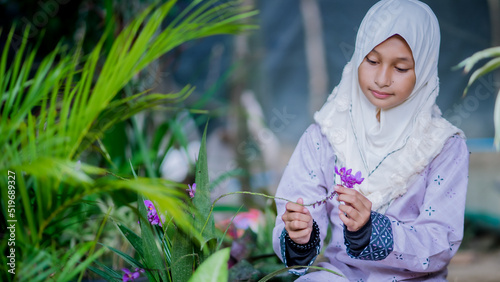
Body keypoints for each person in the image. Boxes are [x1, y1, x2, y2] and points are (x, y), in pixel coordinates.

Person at [272, 0, 469, 281]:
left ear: (424, 69)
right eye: (372, 61)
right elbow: (298, 208)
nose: (382, 78)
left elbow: (440, 240)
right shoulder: (326, 134)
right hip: (340, 275)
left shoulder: (444, 146)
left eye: (401, 68)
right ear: (357, 57)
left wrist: (372, 229)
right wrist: (300, 233)